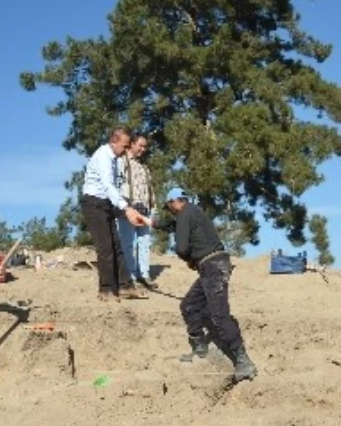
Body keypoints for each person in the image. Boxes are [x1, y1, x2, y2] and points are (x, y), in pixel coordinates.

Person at [160, 188, 257, 382]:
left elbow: (181, 247)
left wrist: (187, 258)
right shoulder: (193, 212)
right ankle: (200, 349)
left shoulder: (184, 213)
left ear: (174, 202)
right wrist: (149, 222)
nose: (169, 210)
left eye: (169, 206)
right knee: (189, 305)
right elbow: (171, 225)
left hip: (213, 267)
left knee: (219, 315)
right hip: (212, 266)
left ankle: (244, 362)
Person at [80, 127, 149, 301]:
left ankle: (125, 286)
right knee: (105, 248)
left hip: (106, 203)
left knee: (117, 246)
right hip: (93, 203)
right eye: (124, 146)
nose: (126, 150)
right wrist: (126, 208)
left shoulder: (115, 159)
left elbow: (116, 187)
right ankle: (106, 290)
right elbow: (107, 186)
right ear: (113, 141)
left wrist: (127, 208)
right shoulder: (103, 156)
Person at [117, 134, 158, 289]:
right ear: (132, 144)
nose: (143, 149)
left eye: (145, 146)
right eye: (140, 145)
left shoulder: (143, 167)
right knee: (127, 243)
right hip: (128, 208)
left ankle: (144, 275)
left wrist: (153, 206)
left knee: (144, 242)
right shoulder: (122, 162)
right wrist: (124, 205)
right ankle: (131, 276)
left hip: (145, 208)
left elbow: (150, 189)